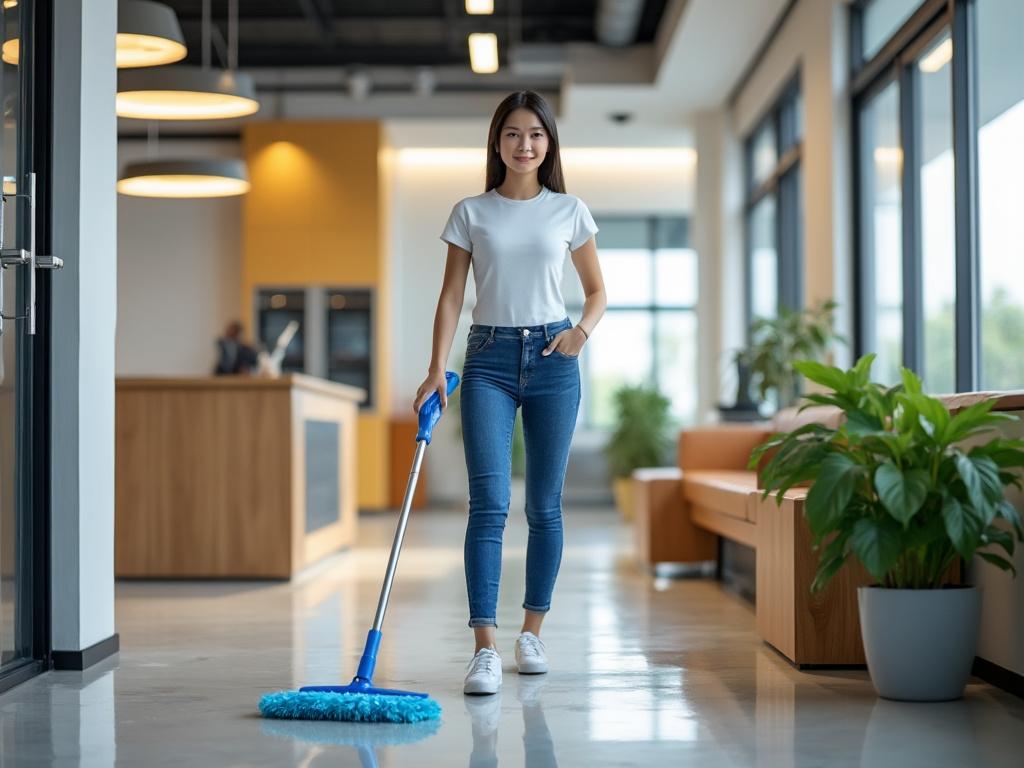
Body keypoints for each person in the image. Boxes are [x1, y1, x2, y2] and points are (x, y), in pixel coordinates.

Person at [414, 90, 607, 696]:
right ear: (496, 143)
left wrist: (580, 332)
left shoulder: (570, 210)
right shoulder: (471, 212)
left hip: (554, 359)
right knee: (489, 503)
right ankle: (485, 648)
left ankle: (532, 632)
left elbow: (597, 292)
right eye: (513, 135)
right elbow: (450, 297)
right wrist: (433, 369)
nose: (525, 145)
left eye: (536, 135)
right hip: (489, 358)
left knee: (544, 506)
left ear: (549, 144)